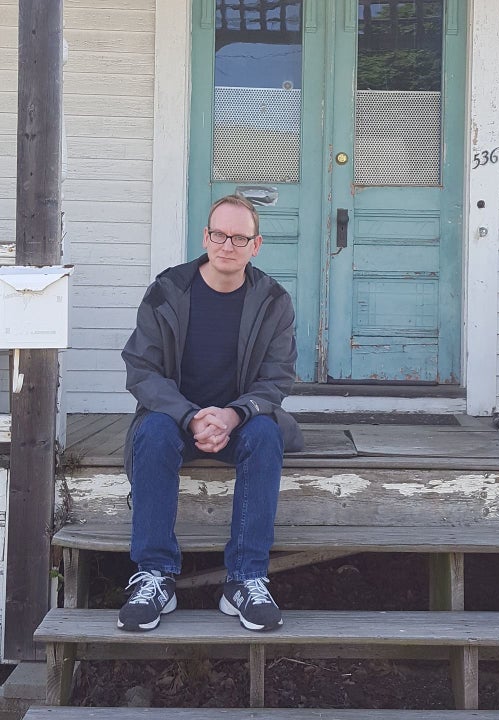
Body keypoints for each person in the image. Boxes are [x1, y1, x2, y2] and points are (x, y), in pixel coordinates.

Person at [118, 193, 303, 633]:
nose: (228, 245)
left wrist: (234, 415)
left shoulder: (274, 301)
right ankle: (155, 576)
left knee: (265, 436)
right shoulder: (168, 291)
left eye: (240, 238)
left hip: (238, 423)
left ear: (256, 246)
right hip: (175, 420)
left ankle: (245, 578)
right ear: (205, 236)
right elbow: (141, 369)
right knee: (153, 433)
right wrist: (190, 416)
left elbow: (277, 379)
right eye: (219, 234)